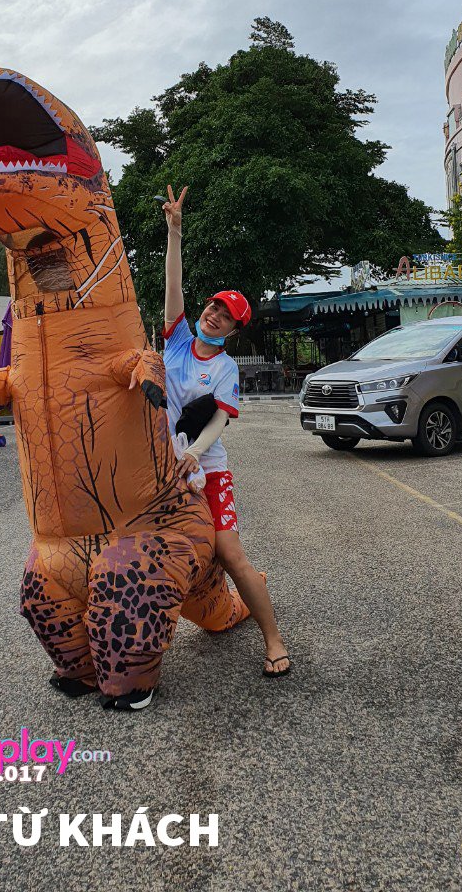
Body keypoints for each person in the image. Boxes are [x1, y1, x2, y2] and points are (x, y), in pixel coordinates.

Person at [160, 184, 291, 678]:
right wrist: (175, 231)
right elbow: (173, 284)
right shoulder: (175, 341)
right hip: (160, 460)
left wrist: (195, 452)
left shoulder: (227, 368)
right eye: (213, 306)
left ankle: (274, 638)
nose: (213, 314)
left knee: (230, 553)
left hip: (204, 465)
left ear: (233, 329)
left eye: (225, 315)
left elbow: (218, 417)